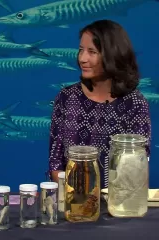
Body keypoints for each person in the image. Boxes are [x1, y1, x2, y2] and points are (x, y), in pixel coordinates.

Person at [48, 19, 151, 189]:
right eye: (81, 50)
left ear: (112, 55)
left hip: (119, 205)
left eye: (92, 52)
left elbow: (139, 163)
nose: (82, 58)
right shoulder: (66, 98)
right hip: (72, 205)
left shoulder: (135, 103)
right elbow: (55, 160)